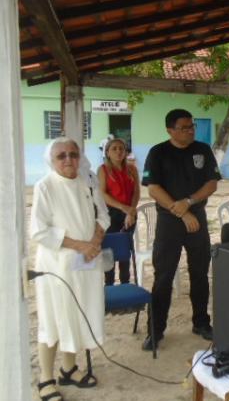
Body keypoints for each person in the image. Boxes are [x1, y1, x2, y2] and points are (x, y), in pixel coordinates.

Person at [31, 137, 110, 401]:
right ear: (51, 160)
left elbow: (103, 215)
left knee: (76, 313)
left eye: (73, 154)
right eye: (61, 155)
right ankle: (45, 378)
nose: (68, 160)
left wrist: (96, 240)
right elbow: (39, 231)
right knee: (53, 318)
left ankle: (68, 368)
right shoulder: (45, 186)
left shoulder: (88, 181)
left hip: (86, 263)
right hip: (57, 267)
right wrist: (81, 245)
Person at [141, 109, 221, 350]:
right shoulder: (158, 152)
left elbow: (212, 183)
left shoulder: (202, 150)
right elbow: (153, 188)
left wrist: (190, 203)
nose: (190, 130)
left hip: (196, 216)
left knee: (199, 273)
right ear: (170, 130)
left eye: (192, 126)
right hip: (169, 220)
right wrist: (182, 211)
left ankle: (201, 322)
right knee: (163, 276)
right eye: (185, 127)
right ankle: (155, 330)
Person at [97, 137, 140, 285]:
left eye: (121, 148)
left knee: (124, 250)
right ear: (107, 152)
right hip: (110, 214)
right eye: (114, 149)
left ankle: (125, 284)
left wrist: (130, 211)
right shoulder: (103, 170)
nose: (118, 151)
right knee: (108, 251)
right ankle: (109, 286)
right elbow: (102, 194)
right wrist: (124, 208)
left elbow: (136, 193)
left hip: (129, 214)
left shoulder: (132, 169)